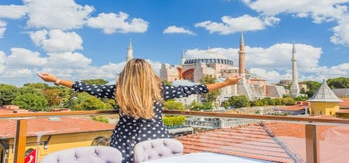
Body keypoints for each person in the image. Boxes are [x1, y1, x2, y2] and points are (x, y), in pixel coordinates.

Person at [37, 58, 242, 163]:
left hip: (123, 139)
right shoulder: (160, 90)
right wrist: (225, 83)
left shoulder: (117, 91)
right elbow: (195, 88)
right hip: (155, 139)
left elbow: (86, 87)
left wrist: (55, 80)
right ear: (148, 73)